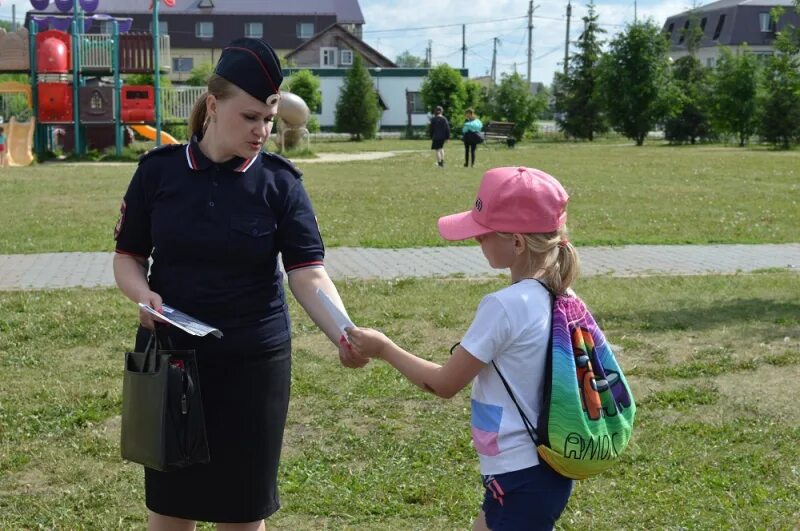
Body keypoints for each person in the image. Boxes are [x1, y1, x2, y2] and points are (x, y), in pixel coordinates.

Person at [113, 37, 368, 530]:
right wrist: (140, 294)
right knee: (170, 508)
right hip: (171, 359)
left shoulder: (280, 183)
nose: (263, 130)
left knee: (243, 510)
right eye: (250, 116)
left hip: (254, 362)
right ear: (213, 105)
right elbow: (128, 257)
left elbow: (308, 273)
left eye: (269, 117)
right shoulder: (157, 172)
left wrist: (343, 330)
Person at [346, 166, 578, 530]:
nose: (476, 240)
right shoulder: (564, 296)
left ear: (517, 243)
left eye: (482, 234)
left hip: (519, 474)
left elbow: (443, 384)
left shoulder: (504, 306)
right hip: (544, 470)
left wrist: (385, 348)